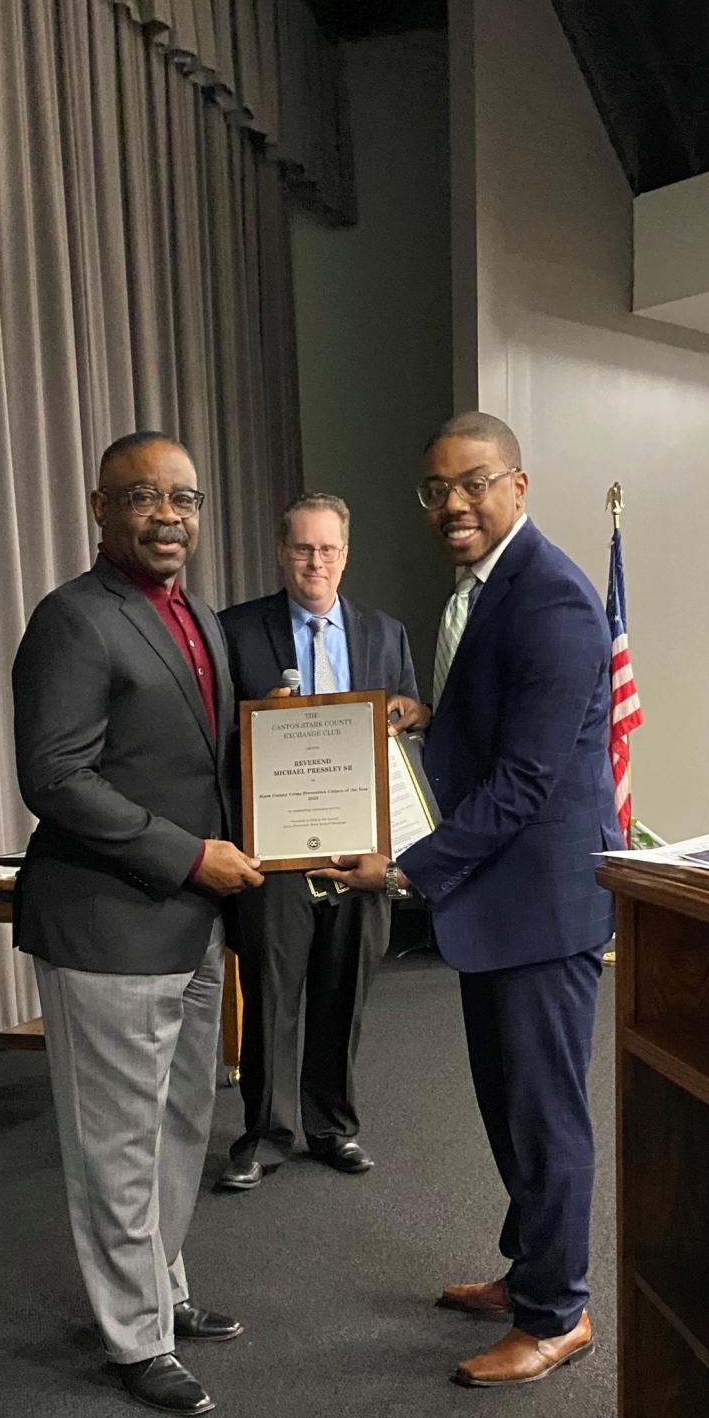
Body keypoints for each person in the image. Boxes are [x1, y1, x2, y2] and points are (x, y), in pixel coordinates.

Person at [315, 414, 620, 1388]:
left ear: (518, 485)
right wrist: (431, 719)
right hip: (503, 901)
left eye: (474, 483)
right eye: (436, 488)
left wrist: (404, 869)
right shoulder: (485, 592)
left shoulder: (555, 598)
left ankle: (558, 1311)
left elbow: (528, 779)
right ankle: (531, 1268)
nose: (453, 502)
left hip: (544, 905)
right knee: (506, 1104)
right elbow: (504, 728)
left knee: (545, 1114)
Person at [12, 429, 264, 1418]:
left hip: (193, 919)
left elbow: (198, 758)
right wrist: (187, 853)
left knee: (179, 1121)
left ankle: (164, 1287)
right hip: (110, 920)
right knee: (118, 1137)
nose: (170, 515)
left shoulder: (196, 613)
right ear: (100, 508)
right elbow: (55, 776)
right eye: (144, 497)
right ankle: (135, 1336)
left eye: (186, 498)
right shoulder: (75, 619)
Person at [216, 493, 426, 1190]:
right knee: (272, 991)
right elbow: (211, 740)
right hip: (275, 851)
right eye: (303, 548)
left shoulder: (385, 633)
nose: (315, 561)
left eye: (328, 548)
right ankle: (266, 1134)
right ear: (281, 553)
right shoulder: (235, 632)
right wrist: (253, 730)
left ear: (346, 553)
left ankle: (332, 1126)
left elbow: (412, 723)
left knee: (344, 992)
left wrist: (411, 713)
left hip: (362, 853)